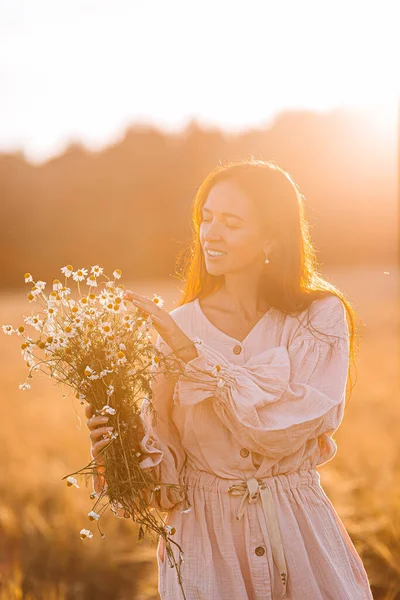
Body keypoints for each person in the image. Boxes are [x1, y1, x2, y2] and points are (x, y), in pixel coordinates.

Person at [86, 159, 374, 599]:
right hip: (205, 546)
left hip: (299, 533)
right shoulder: (172, 325)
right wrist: (117, 448)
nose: (210, 234)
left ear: (272, 239)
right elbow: (160, 479)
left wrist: (190, 355)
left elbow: (283, 431)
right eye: (206, 217)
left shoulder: (319, 317)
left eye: (232, 222)